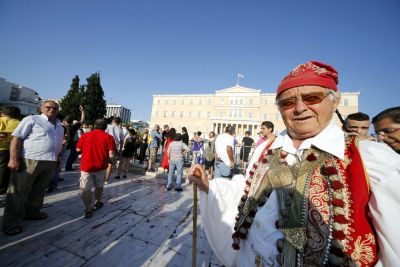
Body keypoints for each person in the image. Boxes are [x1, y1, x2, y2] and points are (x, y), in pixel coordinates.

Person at [189, 61, 400, 266]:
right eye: (288, 102)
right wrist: (210, 185)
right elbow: (247, 189)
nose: (300, 108)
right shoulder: (267, 148)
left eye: (312, 97)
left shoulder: (371, 158)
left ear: (334, 101)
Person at [3, 100, 64, 235]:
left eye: (55, 108)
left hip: (49, 161)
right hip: (29, 160)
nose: (52, 109)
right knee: (19, 192)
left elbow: (58, 143)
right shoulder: (31, 119)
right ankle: (11, 223)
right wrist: (13, 159)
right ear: (41, 108)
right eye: (48, 107)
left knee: (39, 190)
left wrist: (57, 158)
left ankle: (32, 212)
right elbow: (16, 139)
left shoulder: (60, 125)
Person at [76, 119, 116, 219]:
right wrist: (113, 162)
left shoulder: (85, 135)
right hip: (101, 166)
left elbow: (78, 149)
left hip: (86, 166)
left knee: (86, 189)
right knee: (99, 186)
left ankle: (88, 210)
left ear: (94, 125)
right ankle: (97, 202)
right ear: (105, 127)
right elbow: (111, 154)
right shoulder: (109, 137)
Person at [0, 106, 21, 195]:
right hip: (11, 150)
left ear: (3, 113)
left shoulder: (0, 120)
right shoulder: (20, 123)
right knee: (5, 171)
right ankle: (3, 189)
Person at [64, 106, 85, 171]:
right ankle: (68, 167)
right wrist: (82, 111)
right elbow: (82, 120)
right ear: (72, 121)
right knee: (72, 156)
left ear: (65, 120)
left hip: (62, 144)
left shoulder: (61, 126)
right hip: (71, 144)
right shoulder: (73, 127)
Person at [104, 117, 124, 183]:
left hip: (105, 146)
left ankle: (100, 176)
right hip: (114, 147)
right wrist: (120, 150)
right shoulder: (120, 130)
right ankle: (106, 179)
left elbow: (103, 134)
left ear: (113, 121)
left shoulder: (108, 126)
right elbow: (121, 141)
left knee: (102, 161)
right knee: (110, 163)